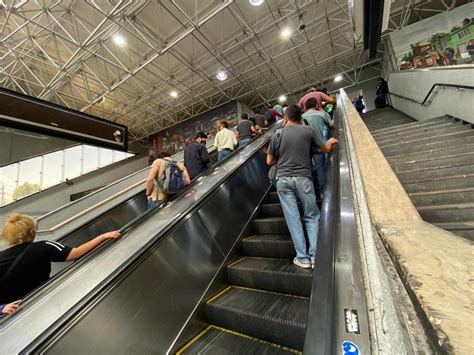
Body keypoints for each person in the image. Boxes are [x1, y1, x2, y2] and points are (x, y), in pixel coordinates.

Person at [267, 105, 338, 269]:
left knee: (293, 218)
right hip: (303, 178)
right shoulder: (308, 131)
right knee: (312, 215)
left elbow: (269, 161)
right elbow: (326, 149)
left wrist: (283, 160)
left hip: (283, 180)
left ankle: (303, 258)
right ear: (300, 118)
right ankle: (315, 256)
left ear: (285, 118)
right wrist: (330, 140)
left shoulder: (277, 134)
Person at [0, 213, 121, 304]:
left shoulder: (1, 257)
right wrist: (103, 236)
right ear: (32, 232)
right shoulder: (44, 246)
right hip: (36, 301)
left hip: (8, 311)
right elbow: (76, 253)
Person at [303, 98, 335, 196]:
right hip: (319, 145)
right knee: (320, 168)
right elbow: (333, 125)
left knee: (308, 170)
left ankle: (310, 193)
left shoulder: (301, 117)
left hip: (305, 148)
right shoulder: (322, 114)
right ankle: (322, 192)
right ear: (317, 105)